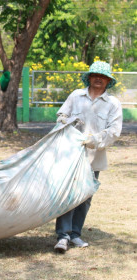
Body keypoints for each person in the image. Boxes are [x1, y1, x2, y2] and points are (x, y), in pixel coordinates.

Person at [53, 61, 123, 253]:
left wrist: (93, 140)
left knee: (85, 196)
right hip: (70, 155)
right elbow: (61, 115)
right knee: (68, 194)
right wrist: (67, 123)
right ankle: (63, 236)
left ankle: (75, 234)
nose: (99, 79)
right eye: (95, 75)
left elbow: (114, 131)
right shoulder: (76, 96)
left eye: (103, 77)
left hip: (94, 158)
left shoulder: (113, 104)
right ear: (89, 77)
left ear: (108, 81)